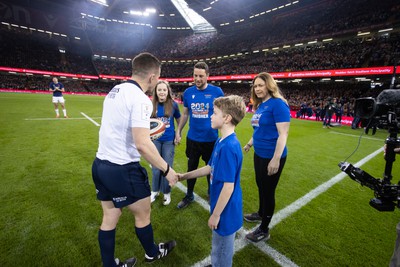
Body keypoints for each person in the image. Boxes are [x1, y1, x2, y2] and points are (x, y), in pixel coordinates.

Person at [91, 52, 177, 267]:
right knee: (143, 214)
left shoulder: (115, 89)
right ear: (152, 77)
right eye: (157, 78)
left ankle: (109, 265)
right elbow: (142, 143)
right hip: (122, 168)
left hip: (100, 164)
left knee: (110, 216)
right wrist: (167, 170)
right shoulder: (141, 99)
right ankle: (152, 253)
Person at [178, 95, 246, 267]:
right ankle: (217, 262)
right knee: (218, 245)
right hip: (221, 207)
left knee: (223, 248)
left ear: (226, 118)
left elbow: (228, 187)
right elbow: (210, 168)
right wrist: (185, 176)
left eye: (214, 113)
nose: (210, 116)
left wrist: (216, 215)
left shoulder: (229, 147)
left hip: (225, 211)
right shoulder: (221, 140)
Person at [243, 72, 290, 242]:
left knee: (268, 191)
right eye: (255, 86)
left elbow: (283, 134)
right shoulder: (260, 105)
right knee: (260, 185)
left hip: (272, 155)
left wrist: (276, 158)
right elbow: (258, 130)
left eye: (261, 85)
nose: (257, 89)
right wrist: (250, 143)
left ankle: (264, 229)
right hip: (259, 153)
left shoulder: (278, 105)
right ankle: (261, 213)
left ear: (269, 85)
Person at [174, 62, 224, 209]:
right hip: (193, 139)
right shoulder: (188, 93)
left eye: (201, 76)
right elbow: (185, 114)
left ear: (208, 76)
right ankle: (189, 194)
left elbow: (223, 115)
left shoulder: (217, 92)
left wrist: (223, 136)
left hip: (211, 139)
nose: (198, 78)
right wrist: (179, 131)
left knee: (211, 169)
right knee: (191, 168)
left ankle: (211, 192)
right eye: (195, 75)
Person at [150, 80, 181, 206]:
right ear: (156, 92)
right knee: (156, 168)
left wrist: (178, 133)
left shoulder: (173, 105)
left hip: (169, 141)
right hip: (155, 141)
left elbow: (179, 119)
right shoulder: (151, 105)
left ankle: (166, 192)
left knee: (167, 168)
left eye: (164, 90)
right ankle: (155, 191)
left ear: (168, 91)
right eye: (159, 90)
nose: (162, 92)